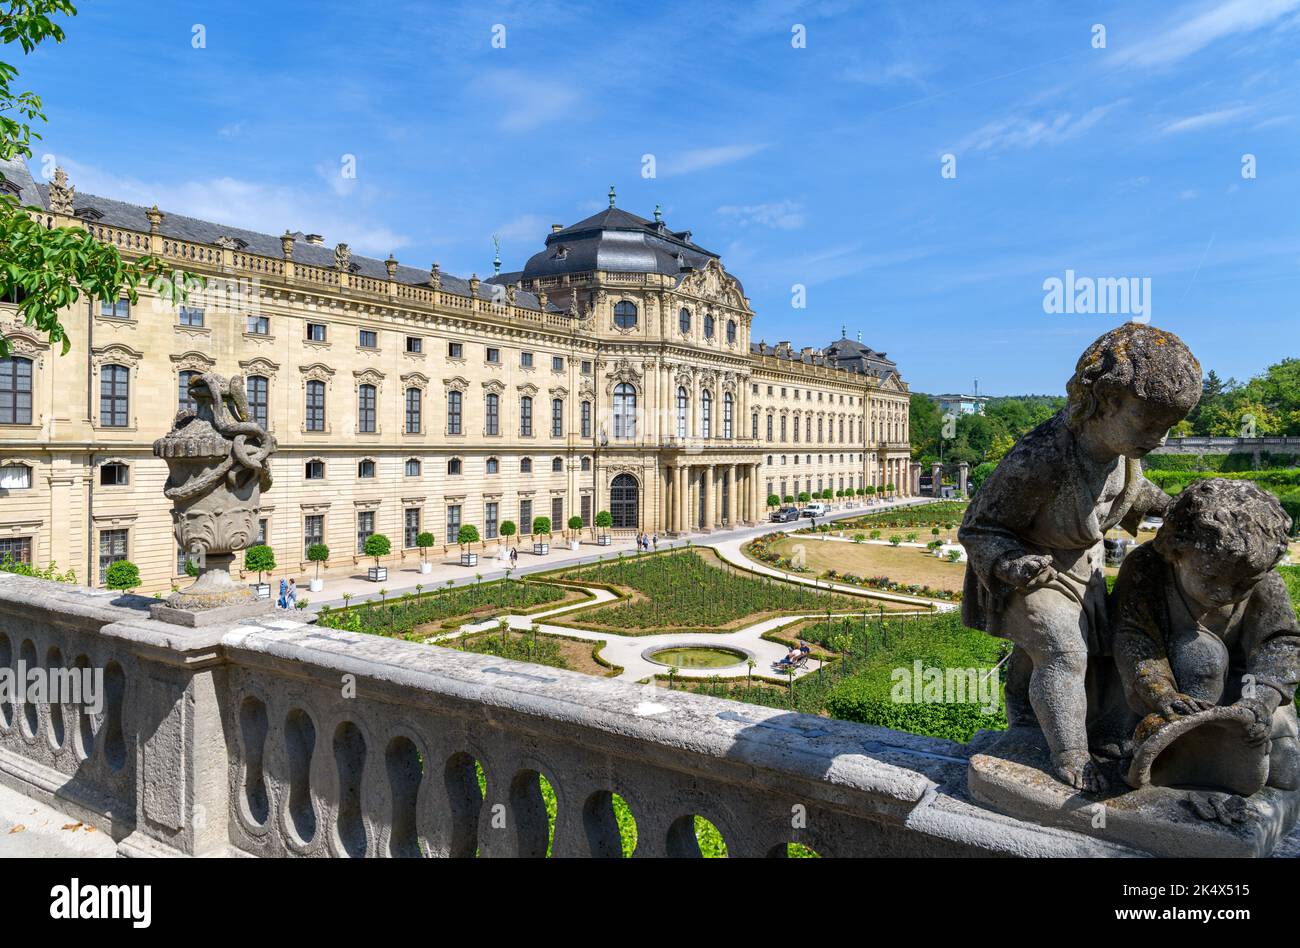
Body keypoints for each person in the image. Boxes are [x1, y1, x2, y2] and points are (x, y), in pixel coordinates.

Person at [959, 323, 1201, 792]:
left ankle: (1073, 729)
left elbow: (1129, 493)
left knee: (1102, 653)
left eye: (1168, 426)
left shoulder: (1122, 452)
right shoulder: (1041, 457)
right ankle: (1069, 753)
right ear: (1104, 401)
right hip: (1031, 570)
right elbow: (977, 526)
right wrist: (1010, 563)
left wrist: (1176, 509)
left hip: (1082, 566)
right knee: (1064, 651)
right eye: (1152, 423)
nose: (1162, 438)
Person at [1112, 479, 1299, 795]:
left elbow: (1280, 642)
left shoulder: (1265, 581)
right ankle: (1192, 765)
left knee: (1287, 772)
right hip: (1177, 697)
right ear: (1175, 551)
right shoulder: (1147, 568)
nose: (1226, 593)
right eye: (1211, 577)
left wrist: (1261, 700)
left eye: (1245, 583)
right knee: (1200, 654)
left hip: (1245, 694)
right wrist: (1163, 694)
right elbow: (1135, 638)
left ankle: (1223, 762)